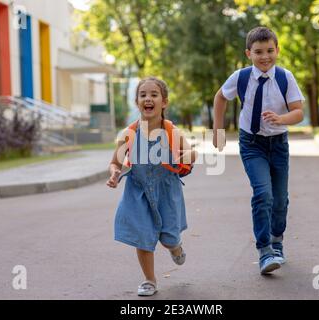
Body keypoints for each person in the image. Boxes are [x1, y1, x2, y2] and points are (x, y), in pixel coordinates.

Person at [213, 26, 305, 275]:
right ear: (248, 53)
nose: (265, 57)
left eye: (270, 51)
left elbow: (298, 111)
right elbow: (220, 98)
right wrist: (218, 131)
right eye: (258, 52)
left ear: (277, 50)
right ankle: (264, 251)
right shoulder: (241, 77)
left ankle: (277, 241)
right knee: (263, 194)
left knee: (280, 200)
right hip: (251, 143)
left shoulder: (285, 77)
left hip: (278, 145)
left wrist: (281, 119)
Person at [106, 77, 197, 296]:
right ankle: (149, 280)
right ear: (137, 102)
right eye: (143, 95)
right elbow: (115, 162)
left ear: (164, 102)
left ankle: (175, 246)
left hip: (167, 191)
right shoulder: (128, 134)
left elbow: (192, 153)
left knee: (168, 238)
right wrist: (115, 174)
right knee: (142, 236)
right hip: (138, 193)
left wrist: (185, 155)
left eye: (154, 95)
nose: (148, 98)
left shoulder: (171, 131)